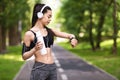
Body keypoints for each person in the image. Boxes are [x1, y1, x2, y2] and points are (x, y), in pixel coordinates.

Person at [22, 3, 78, 80]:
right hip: (39, 69)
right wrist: (34, 49)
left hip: (52, 68)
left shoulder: (50, 31)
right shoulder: (29, 34)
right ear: (40, 15)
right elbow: (24, 56)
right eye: (49, 16)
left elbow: (68, 35)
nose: (50, 19)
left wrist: (72, 38)